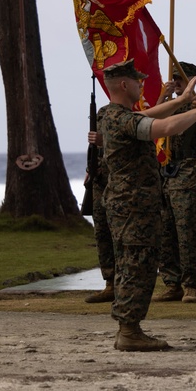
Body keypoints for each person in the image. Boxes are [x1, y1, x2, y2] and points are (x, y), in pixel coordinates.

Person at [99, 59, 196, 350]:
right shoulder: (122, 118)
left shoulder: (114, 116)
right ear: (124, 85)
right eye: (137, 81)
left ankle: (128, 328)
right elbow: (164, 127)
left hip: (128, 204)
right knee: (138, 265)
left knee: (131, 263)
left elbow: (150, 114)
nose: (141, 85)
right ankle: (129, 331)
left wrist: (184, 100)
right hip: (133, 206)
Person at [154, 62, 196, 304]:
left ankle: (191, 284)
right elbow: (149, 122)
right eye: (173, 79)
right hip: (165, 176)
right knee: (166, 233)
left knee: (187, 233)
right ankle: (171, 283)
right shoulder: (169, 106)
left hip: (189, 173)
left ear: (193, 79)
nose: (176, 83)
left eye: (180, 79)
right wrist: (163, 95)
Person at [84, 108, 115, 304]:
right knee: (101, 232)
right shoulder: (103, 112)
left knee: (121, 234)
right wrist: (90, 166)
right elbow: (93, 149)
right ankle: (110, 283)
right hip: (99, 179)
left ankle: (124, 282)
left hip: (118, 179)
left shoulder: (132, 113)